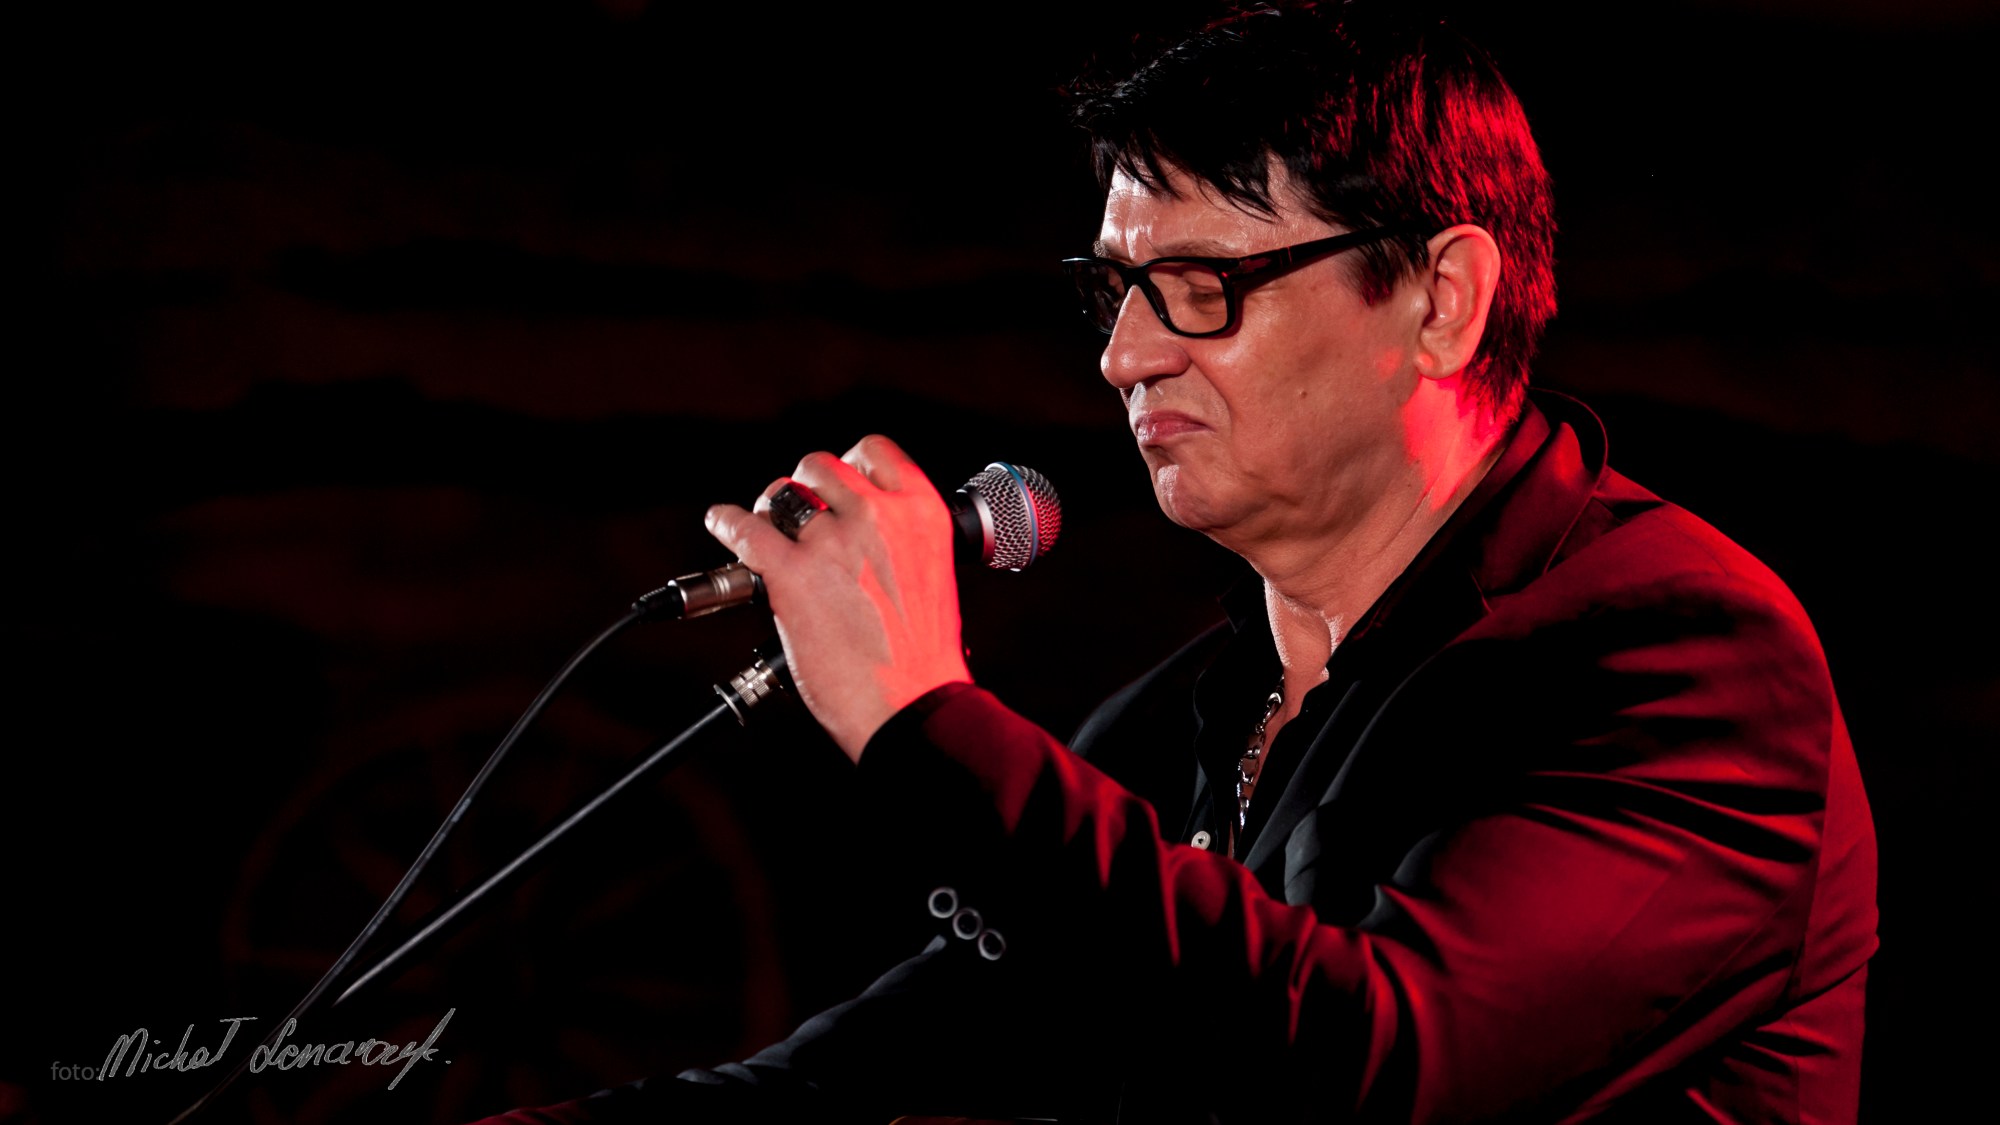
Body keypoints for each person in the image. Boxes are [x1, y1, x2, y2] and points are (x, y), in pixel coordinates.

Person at [475, 4, 1877, 1121]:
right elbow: (852, 1081)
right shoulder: (1171, 726)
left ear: (1440, 301)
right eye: (1116, 292)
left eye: (1205, 288)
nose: (1125, 356)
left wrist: (922, 716)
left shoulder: (1683, 654)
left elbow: (1388, 1063)